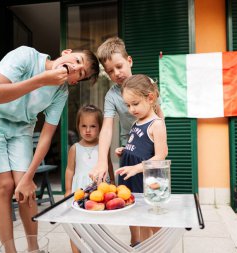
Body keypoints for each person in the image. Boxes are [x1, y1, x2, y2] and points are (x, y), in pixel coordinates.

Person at [0, 46, 99, 253]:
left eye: (80, 73)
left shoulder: (60, 92)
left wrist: (28, 176)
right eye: (77, 60)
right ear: (66, 52)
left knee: (25, 188)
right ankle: (10, 251)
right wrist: (44, 79)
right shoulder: (25, 56)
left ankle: (34, 249)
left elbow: (46, 135)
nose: (75, 68)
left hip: (21, 128)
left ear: (73, 81)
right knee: (4, 185)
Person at [89, 37, 164, 245]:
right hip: (128, 152)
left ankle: (156, 244)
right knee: (129, 199)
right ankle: (135, 242)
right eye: (110, 71)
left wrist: (155, 145)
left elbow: (160, 117)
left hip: (149, 151)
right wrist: (102, 160)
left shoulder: (147, 85)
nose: (116, 74)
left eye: (119, 66)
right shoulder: (112, 96)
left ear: (129, 61)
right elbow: (106, 128)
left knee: (151, 203)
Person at [115, 74, 168, 243]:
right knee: (140, 218)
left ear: (150, 98)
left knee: (152, 219)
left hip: (146, 179)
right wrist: (125, 150)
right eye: (128, 105)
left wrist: (137, 168)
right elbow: (138, 145)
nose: (131, 109)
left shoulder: (156, 124)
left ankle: (163, 246)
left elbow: (161, 155)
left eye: (135, 104)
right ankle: (146, 247)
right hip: (132, 177)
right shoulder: (136, 123)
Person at [64, 104, 114, 253]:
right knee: (76, 225)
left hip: (98, 191)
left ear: (100, 128)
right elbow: (69, 170)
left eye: (93, 126)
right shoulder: (75, 148)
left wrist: (113, 183)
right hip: (79, 192)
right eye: (83, 126)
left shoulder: (103, 147)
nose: (87, 130)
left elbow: (109, 165)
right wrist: (67, 190)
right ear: (78, 126)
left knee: (97, 225)